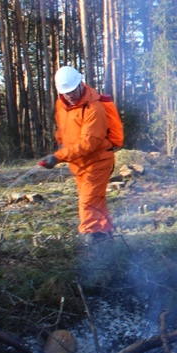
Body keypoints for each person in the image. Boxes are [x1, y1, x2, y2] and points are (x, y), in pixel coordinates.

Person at [39, 66, 116, 242]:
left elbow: (88, 143)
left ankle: (93, 251)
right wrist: (60, 146)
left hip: (98, 161)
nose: (70, 95)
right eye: (65, 92)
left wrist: (58, 157)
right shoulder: (62, 104)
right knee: (95, 202)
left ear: (80, 84)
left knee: (88, 204)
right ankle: (106, 239)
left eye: (72, 91)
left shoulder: (94, 108)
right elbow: (63, 130)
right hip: (78, 163)